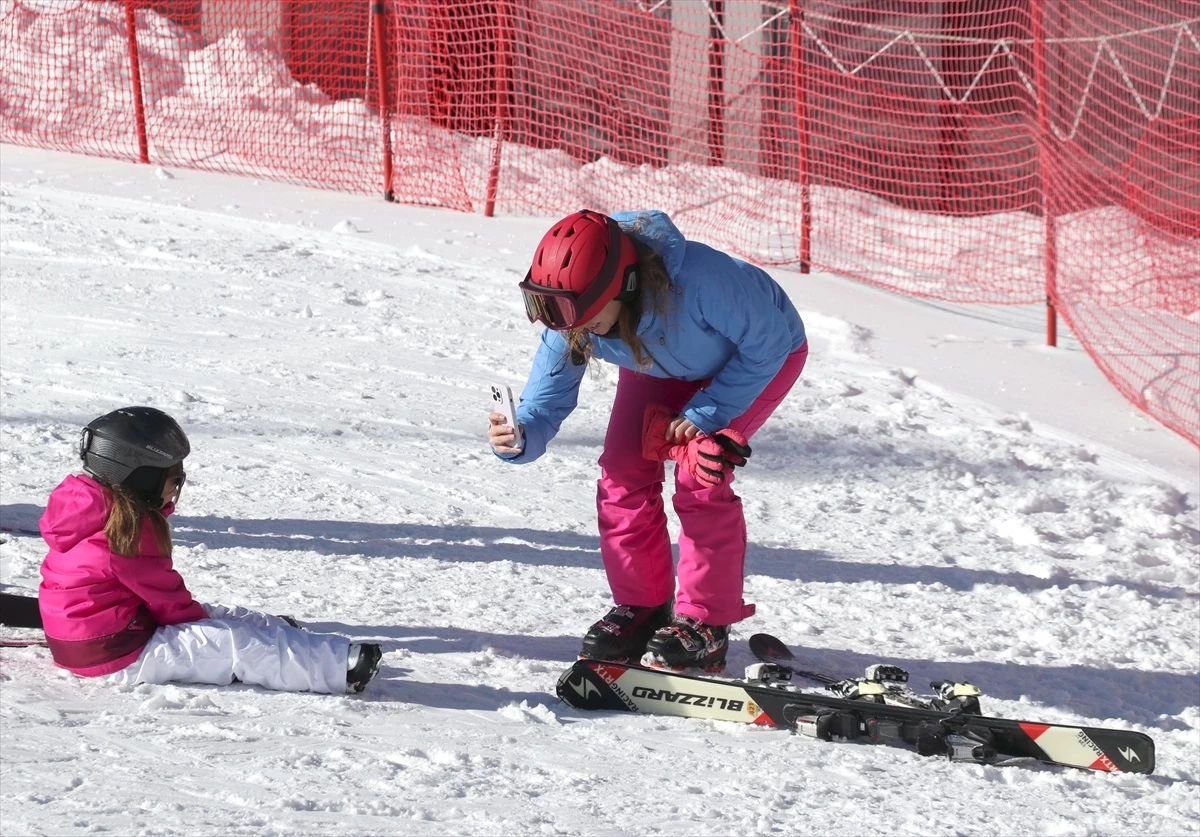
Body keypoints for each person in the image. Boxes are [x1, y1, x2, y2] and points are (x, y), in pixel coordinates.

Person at [488, 210, 808, 672]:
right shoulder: (576, 318)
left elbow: (770, 344)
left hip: (752, 362)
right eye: (552, 312)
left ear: (624, 287)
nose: (567, 326)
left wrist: (709, 411)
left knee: (702, 471)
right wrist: (522, 436)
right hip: (656, 362)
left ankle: (706, 623)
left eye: (580, 314)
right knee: (622, 472)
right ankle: (643, 607)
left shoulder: (702, 281)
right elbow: (547, 399)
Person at [38, 406, 383, 694]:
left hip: (103, 637)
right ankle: (339, 667)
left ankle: (281, 633)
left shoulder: (92, 514)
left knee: (216, 615)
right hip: (115, 655)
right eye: (175, 478)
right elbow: (170, 605)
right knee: (234, 644)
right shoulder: (124, 534)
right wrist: (218, 629)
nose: (178, 486)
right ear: (140, 478)